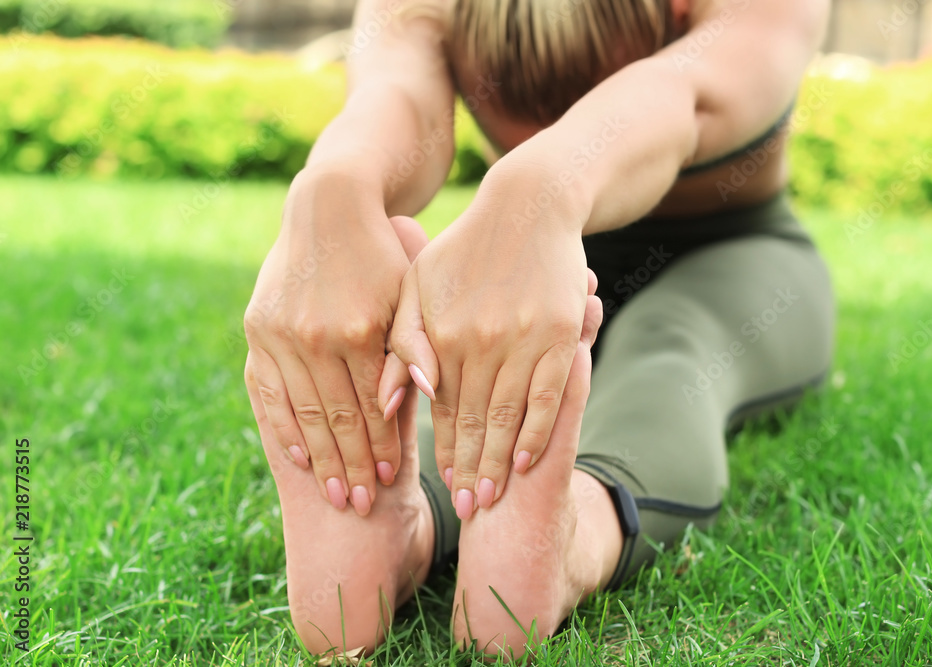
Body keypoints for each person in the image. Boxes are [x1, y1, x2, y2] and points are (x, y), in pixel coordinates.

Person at [242, 0, 835, 659]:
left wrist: (538, 185)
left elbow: (683, 93)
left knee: (672, 350)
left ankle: (568, 540)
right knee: (456, 382)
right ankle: (404, 527)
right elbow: (395, 94)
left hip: (736, 256)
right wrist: (334, 186)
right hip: (518, 274)